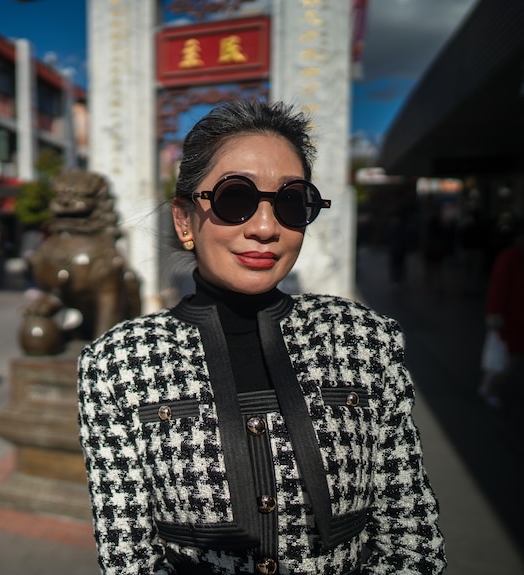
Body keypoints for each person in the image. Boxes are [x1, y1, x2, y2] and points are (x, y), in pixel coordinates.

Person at [77, 99, 446, 575]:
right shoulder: (116, 365)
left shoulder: (365, 340)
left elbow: (411, 538)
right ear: (184, 220)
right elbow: (129, 559)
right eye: (236, 199)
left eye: (291, 203)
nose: (267, 228)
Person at [479, 218, 524, 408]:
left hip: (516, 316)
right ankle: (488, 388)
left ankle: (489, 387)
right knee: (502, 359)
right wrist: (495, 314)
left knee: (507, 358)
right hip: (509, 319)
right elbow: (498, 288)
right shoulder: (509, 257)